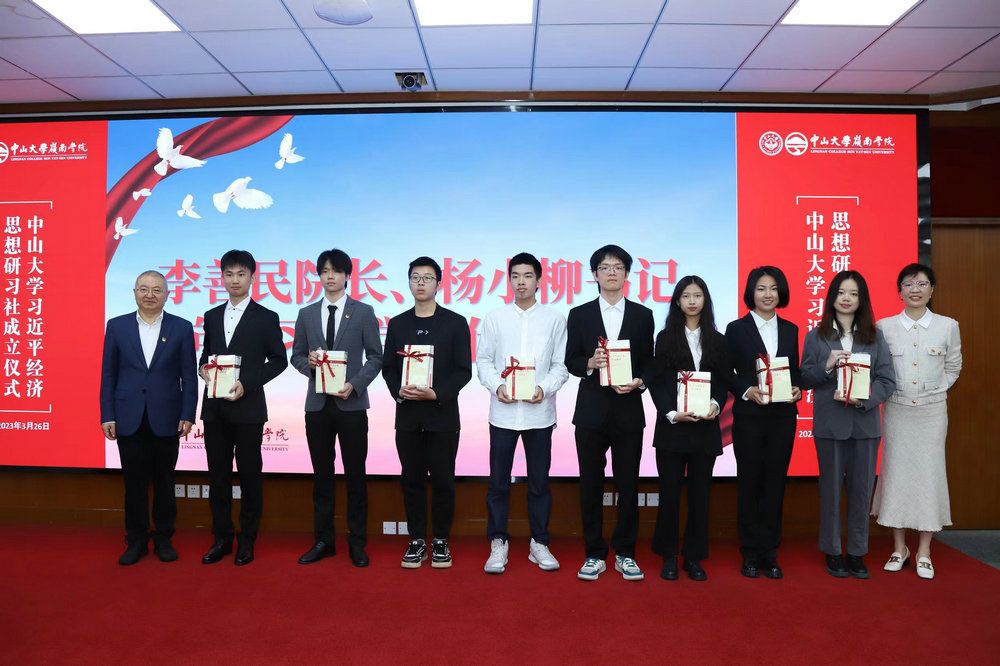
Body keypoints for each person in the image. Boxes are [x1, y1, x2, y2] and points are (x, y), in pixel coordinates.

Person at [476, 252, 569, 574]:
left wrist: (543, 388)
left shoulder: (554, 319)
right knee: (498, 483)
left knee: (539, 483)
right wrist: (496, 386)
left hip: (539, 414)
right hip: (502, 413)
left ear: (539, 280)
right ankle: (498, 542)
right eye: (515, 276)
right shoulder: (495, 318)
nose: (521, 282)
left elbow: (560, 366)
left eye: (528, 276)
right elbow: (483, 361)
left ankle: (539, 542)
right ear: (509, 280)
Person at [566, 244, 654, 582]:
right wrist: (589, 362)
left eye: (618, 267)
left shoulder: (643, 315)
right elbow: (571, 360)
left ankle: (626, 552)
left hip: (628, 409)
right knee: (590, 483)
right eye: (605, 267)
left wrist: (639, 381)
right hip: (591, 411)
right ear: (595, 275)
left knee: (628, 483)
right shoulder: (580, 314)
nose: (612, 272)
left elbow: (649, 361)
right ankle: (594, 553)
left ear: (627, 274)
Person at [290, 249, 383, 567]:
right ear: (319, 275)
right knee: (322, 477)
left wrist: (355, 384)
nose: (330, 276)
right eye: (324, 271)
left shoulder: (363, 312)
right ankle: (323, 541)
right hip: (317, 406)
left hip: (351, 404)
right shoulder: (306, 313)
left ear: (347, 276)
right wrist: (310, 365)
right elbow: (296, 355)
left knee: (356, 476)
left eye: (336, 271)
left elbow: (376, 356)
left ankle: (357, 543)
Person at [800, 271, 896, 579]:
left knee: (861, 491)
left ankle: (857, 552)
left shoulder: (875, 336)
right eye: (841, 292)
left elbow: (887, 380)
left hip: (865, 425)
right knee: (829, 491)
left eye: (853, 294)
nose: (846, 298)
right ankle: (832, 550)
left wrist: (866, 398)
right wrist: (828, 365)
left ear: (861, 300)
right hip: (830, 425)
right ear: (832, 297)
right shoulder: (816, 336)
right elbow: (805, 378)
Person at [871, 263, 962, 580]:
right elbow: (879, 369)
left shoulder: (948, 326)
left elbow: (953, 366)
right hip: (897, 411)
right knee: (896, 474)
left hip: (931, 413)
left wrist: (936, 390)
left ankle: (924, 550)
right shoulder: (884, 327)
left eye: (922, 284)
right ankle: (899, 548)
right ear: (899, 291)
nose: (915, 289)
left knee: (929, 476)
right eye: (908, 284)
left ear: (932, 290)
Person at [100, 270, 197, 565]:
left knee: (165, 481)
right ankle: (137, 540)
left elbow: (188, 376)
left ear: (167, 295)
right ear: (134, 293)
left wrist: (187, 413)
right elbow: (108, 374)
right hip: (128, 416)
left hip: (167, 416)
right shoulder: (117, 326)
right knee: (134, 483)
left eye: (156, 290)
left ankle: (164, 538)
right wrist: (107, 414)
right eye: (143, 289)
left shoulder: (181, 327)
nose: (150, 295)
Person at [199, 250, 288, 566]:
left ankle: (247, 540)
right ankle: (221, 538)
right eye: (229, 274)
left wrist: (246, 383)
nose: (234, 280)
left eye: (241, 274)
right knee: (218, 477)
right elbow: (206, 356)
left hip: (248, 408)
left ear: (252, 277)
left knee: (250, 476)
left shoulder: (266, 317)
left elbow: (279, 361)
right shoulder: (211, 316)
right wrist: (203, 370)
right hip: (215, 409)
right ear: (221, 277)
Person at [382, 256, 472, 569]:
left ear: (438, 283)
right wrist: (398, 391)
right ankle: (417, 539)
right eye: (416, 277)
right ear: (409, 282)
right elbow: (389, 368)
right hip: (408, 416)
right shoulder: (398, 323)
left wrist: (438, 393)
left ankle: (441, 540)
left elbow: (463, 371)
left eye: (427, 278)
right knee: (412, 480)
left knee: (444, 481)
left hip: (442, 416)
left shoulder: (455, 322)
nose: (421, 283)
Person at [647, 276, 729, 582]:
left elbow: (722, 381)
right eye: (686, 296)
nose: (692, 301)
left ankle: (693, 557)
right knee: (669, 494)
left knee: (699, 496)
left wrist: (715, 405)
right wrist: (671, 413)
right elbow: (657, 381)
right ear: (677, 301)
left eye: (697, 295)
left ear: (705, 300)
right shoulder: (665, 338)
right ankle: (669, 555)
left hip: (705, 428)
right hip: (673, 428)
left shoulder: (718, 339)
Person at [725, 265, 802, 579]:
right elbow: (727, 372)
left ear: (780, 292)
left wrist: (798, 388)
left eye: (772, 288)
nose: (767, 294)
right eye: (761, 289)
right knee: (750, 482)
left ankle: (770, 552)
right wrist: (747, 391)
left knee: (775, 483)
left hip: (783, 417)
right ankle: (750, 552)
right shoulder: (736, 329)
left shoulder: (791, 329)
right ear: (751, 293)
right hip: (749, 417)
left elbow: (795, 371)